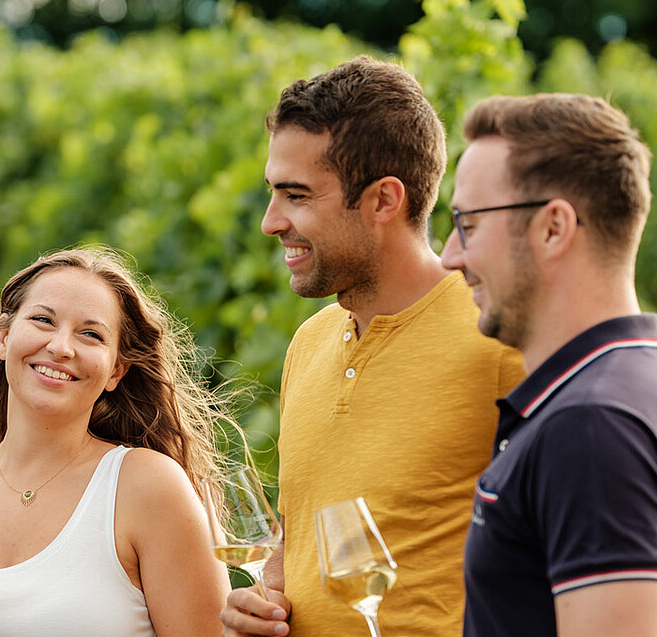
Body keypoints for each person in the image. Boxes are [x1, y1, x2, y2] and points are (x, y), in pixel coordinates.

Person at [221, 57, 526, 637]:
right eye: (273, 192)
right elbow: (297, 537)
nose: (269, 221)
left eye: (297, 195)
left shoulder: (498, 340)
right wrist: (261, 604)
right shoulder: (308, 344)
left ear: (384, 200)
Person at [440, 94, 657, 636]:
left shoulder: (592, 429)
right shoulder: (632, 396)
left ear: (553, 228)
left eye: (467, 223)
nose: (451, 254)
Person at [0, 247, 234, 637]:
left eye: (91, 334)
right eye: (43, 320)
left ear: (115, 371)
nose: (60, 347)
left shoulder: (149, 487)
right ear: (3, 339)